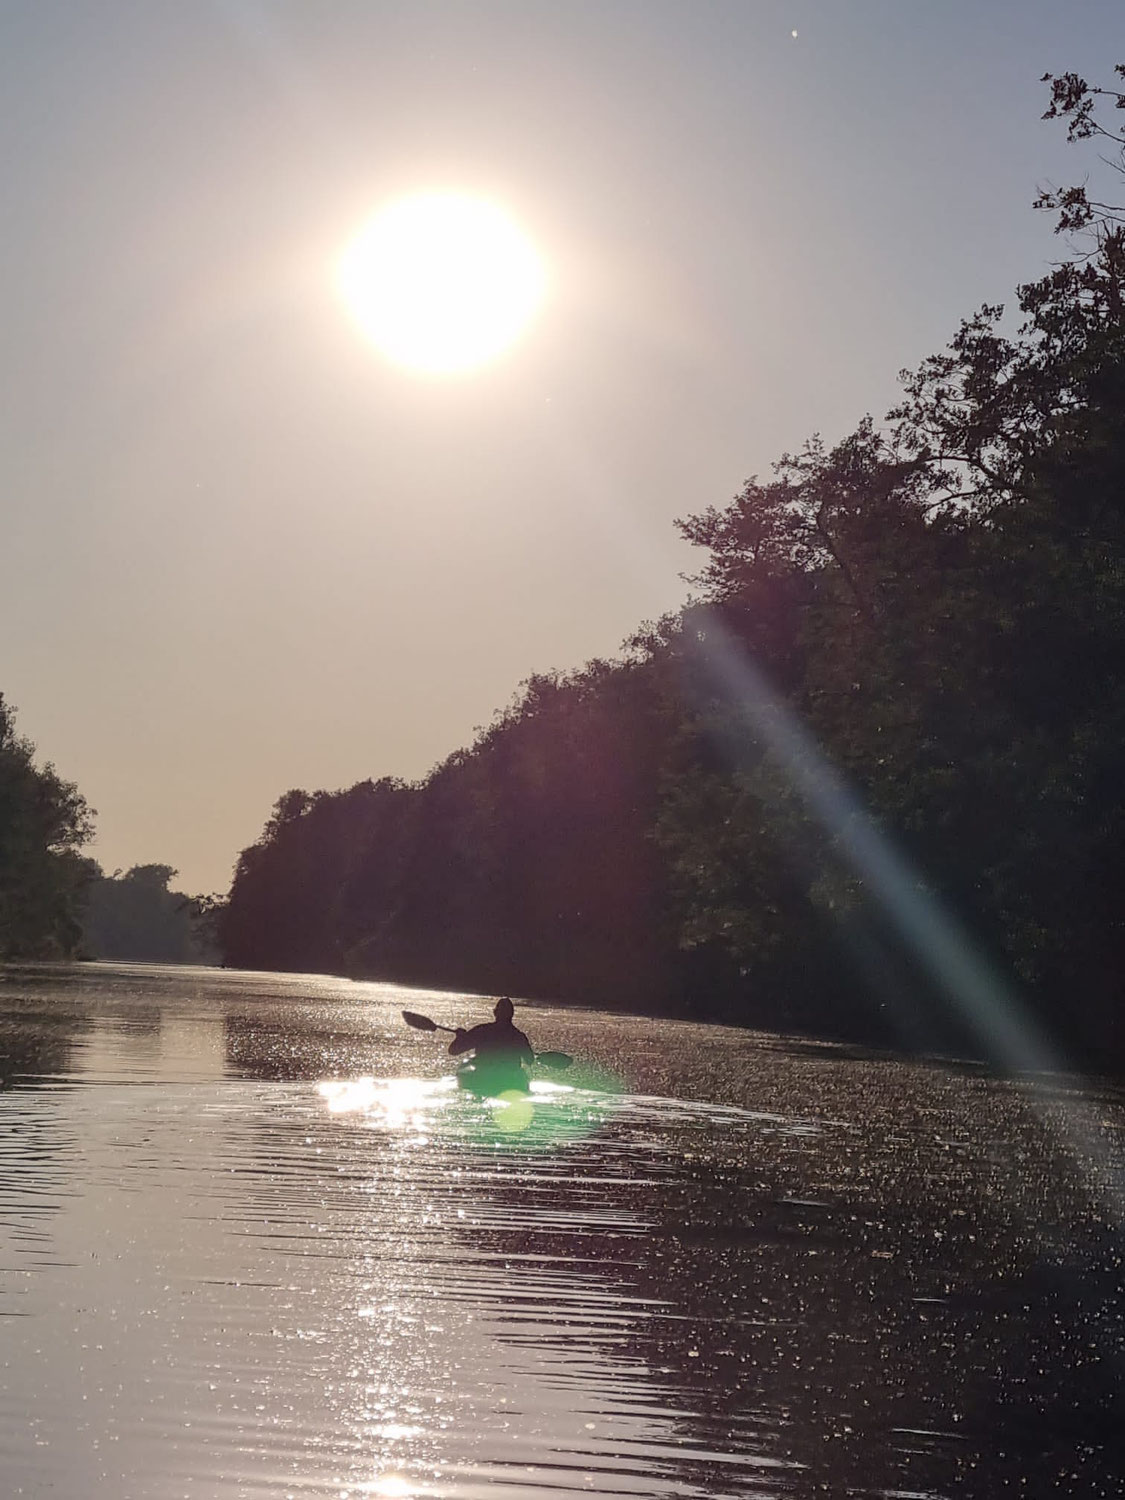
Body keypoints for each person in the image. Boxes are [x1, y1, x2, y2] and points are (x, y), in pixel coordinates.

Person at [449, 996, 533, 1092]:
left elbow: (453, 1050)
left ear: (495, 1013)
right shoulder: (519, 1036)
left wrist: (460, 1038)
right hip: (509, 1080)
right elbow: (529, 1060)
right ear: (512, 1015)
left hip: (484, 1078)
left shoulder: (482, 1031)